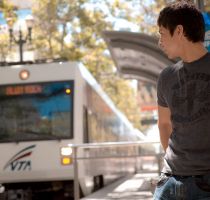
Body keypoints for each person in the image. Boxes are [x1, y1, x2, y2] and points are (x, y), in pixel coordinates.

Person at [154, 1, 210, 199]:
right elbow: (163, 125)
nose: (159, 42)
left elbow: (165, 124)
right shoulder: (166, 76)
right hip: (169, 180)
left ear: (179, 31)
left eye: (162, 33)